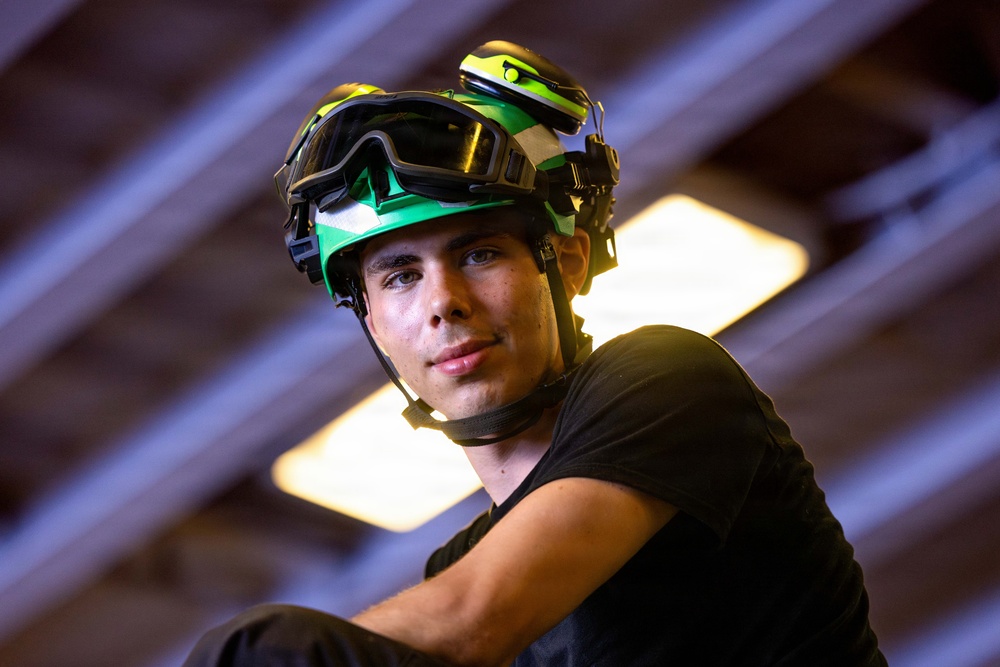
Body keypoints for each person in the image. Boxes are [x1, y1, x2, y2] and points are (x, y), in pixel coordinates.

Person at [184, 41, 887, 666]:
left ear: (570, 262)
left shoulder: (669, 382)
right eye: (400, 274)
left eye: (480, 252)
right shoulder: (454, 568)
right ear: (370, 316)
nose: (444, 301)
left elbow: (471, 622)